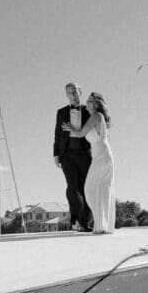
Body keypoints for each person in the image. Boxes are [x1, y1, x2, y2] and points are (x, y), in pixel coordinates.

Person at [62, 92, 114, 234]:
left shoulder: (96, 116)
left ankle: (101, 224)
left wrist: (70, 128)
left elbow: (80, 133)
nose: (88, 103)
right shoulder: (98, 117)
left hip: (102, 155)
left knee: (90, 189)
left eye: (91, 101)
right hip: (101, 154)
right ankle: (102, 226)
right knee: (102, 189)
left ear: (97, 104)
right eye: (88, 101)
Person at [54, 82, 93, 231]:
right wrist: (56, 154)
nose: (73, 95)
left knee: (85, 187)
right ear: (66, 95)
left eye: (75, 92)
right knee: (72, 187)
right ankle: (75, 221)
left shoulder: (88, 110)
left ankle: (86, 222)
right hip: (67, 155)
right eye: (70, 92)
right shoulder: (61, 112)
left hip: (84, 154)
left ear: (80, 92)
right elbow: (57, 133)